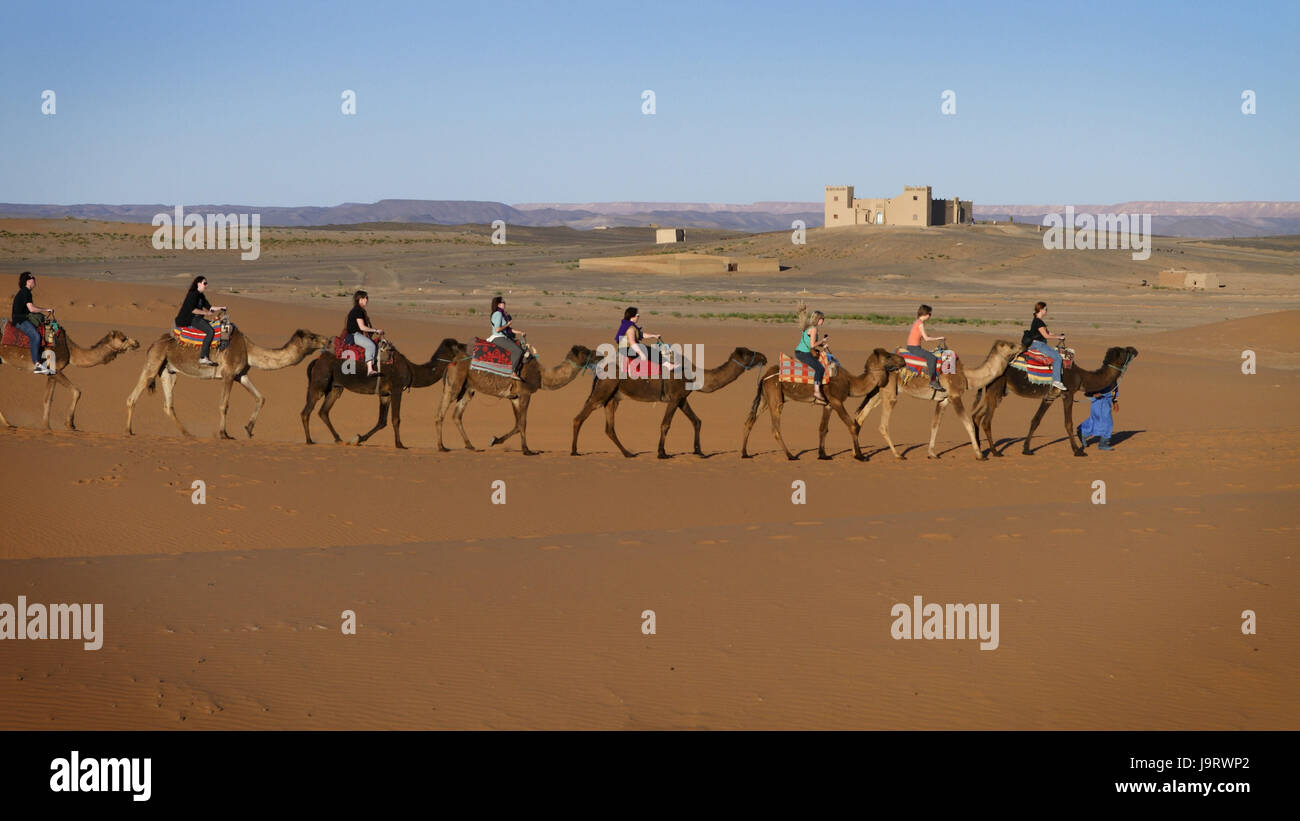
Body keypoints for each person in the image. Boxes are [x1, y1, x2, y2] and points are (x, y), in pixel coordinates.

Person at [11, 272, 56, 375]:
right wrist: (46, 310)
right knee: (35, 336)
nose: (34, 280)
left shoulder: (26, 292)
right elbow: (31, 309)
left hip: (25, 318)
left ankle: (47, 358)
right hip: (20, 320)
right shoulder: (25, 292)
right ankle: (37, 364)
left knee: (46, 328)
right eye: (33, 278)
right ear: (28, 281)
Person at [175, 276, 226, 366]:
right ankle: (203, 357)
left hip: (198, 318)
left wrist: (220, 308)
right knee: (210, 331)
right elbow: (193, 310)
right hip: (190, 319)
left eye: (206, 283)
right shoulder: (192, 294)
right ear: (198, 283)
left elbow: (210, 307)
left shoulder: (201, 296)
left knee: (216, 325)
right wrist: (206, 313)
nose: (206, 285)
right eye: (204, 283)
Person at [615, 306, 676, 376]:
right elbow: (632, 343)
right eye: (637, 315)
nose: (639, 317)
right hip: (627, 349)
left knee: (647, 349)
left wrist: (654, 336)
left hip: (626, 348)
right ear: (632, 316)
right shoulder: (630, 328)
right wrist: (641, 353)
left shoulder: (628, 325)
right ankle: (667, 365)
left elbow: (642, 334)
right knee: (650, 351)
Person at [1026, 301, 1066, 390]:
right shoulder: (1039, 322)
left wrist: (1058, 335)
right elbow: (1046, 336)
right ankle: (1056, 381)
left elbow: (1048, 332)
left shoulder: (1037, 321)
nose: (1047, 311)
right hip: (1039, 345)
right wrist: (1058, 337)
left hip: (1036, 344)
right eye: (1045, 309)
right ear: (1041, 310)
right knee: (1057, 357)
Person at [906, 304, 946, 392]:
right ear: (926, 314)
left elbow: (922, 336)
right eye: (930, 314)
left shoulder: (917, 322)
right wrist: (939, 338)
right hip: (914, 348)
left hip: (911, 347)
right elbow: (927, 339)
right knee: (932, 358)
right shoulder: (920, 324)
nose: (930, 316)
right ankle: (933, 381)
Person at [345, 290, 384, 376]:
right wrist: (376, 330)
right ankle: (369, 370)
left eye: (367, 298)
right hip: (354, 335)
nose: (367, 300)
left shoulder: (359, 310)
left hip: (356, 334)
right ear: (360, 299)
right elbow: (362, 327)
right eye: (366, 298)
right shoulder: (357, 310)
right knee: (370, 345)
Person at [795, 310, 829, 404]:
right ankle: (817, 391)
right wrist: (822, 341)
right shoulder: (813, 329)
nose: (823, 321)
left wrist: (823, 345)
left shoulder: (810, 327)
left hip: (802, 352)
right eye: (822, 319)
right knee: (820, 368)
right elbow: (812, 345)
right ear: (818, 319)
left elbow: (812, 343)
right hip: (803, 353)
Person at [488, 296, 525, 375]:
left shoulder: (501, 314)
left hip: (502, 336)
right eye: (503, 302)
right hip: (498, 337)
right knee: (518, 351)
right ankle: (512, 372)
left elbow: (508, 329)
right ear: (498, 304)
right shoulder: (498, 314)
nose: (504, 304)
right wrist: (507, 324)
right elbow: (498, 329)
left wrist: (520, 332)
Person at [1079, 386, 1117, 451]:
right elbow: (1089, 386)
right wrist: (1093, 394)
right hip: (1100, 404)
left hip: (1105, 404)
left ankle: (1083, 432)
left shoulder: (1113, 379)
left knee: (1095, 421)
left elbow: (1114, 391)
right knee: (1108, 424)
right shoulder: (1101, 376)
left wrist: (1115, 401)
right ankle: (1103, 444)